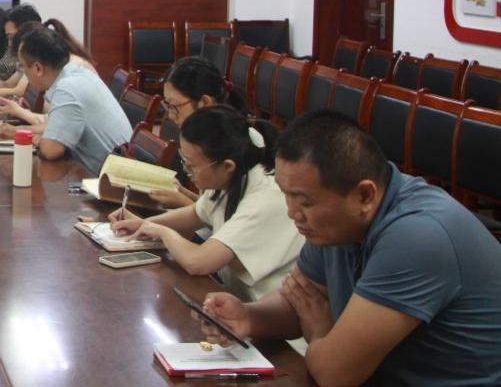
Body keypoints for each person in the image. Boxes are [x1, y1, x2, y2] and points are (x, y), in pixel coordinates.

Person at [198, 111, 501, 386]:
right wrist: (248, 317)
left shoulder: (417, 237)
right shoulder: (341, 220)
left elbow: (334, 374)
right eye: (285, 195)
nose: (292, 213)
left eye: (305, 202)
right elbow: (300, 299)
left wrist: (319, 330)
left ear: (365, 195)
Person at [109, 106, 303, 301]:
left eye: (191, 165)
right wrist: (143, 224)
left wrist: (161, 231)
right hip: (233, 296)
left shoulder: (264, 198)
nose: (187, 171)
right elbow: (196, 213)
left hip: (265, 309)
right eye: (184, 161)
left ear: (227, 166)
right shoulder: (232, 175)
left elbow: (197, 262)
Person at [0, 26, 131, 168]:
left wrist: (22, 135)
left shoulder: (67, 88)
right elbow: (55, 125)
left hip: (111, 177)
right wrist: (17, 130)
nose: (22, 72)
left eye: (22, 67)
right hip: (114, 168)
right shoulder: (76, 73)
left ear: (38, 68)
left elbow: (51, 150)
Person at [153, 55, 247, 208]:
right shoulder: (207, 136)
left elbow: (225, 217)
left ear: (205, 103)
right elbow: (211, 205)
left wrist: (182, 202)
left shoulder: (231, 143)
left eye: (175, 106)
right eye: (167, 105)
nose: (170, 115)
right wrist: (182, 192)